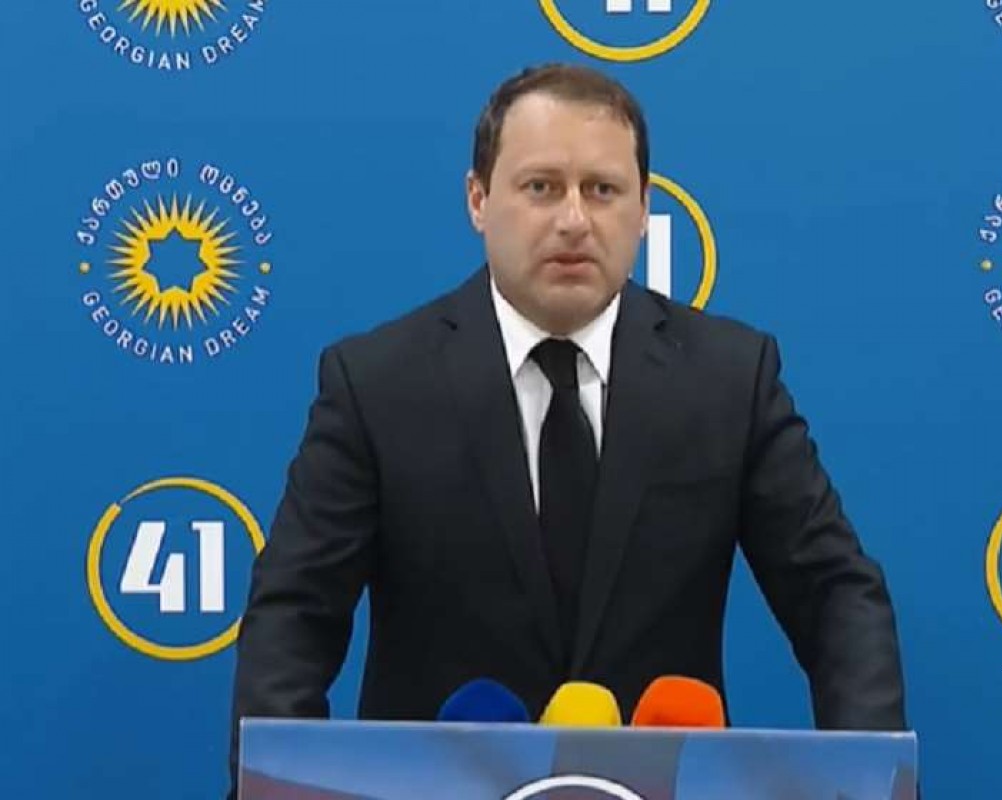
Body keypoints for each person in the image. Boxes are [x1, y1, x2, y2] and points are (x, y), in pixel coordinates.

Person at [228, 62, 906, 791]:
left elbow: (834, 594)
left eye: (602, 190)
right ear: (479, 199)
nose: (574, 220)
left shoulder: (731, 379)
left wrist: (871, 782)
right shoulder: (377, 383)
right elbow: (295, 614)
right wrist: (280, 786)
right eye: (541, 187)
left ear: (644, 209)